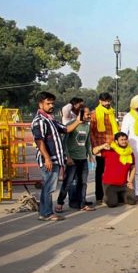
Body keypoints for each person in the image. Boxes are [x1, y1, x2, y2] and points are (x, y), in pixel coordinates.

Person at [32, 91, 85, 221]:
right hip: (49, 159)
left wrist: (78, 121)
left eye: (52, 103)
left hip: (56, 159)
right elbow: (39, 141)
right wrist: (47, 158)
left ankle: (45, 212)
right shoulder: (39, 121)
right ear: (40, 104)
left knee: (49, 187)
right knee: (49, 187)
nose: (51, 105)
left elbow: (66, 129)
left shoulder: (51, 120)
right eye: (48, 103)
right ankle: (46, 213)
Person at [56, 106, 95, 212]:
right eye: (87, 114)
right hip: (72, 159)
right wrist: (67, 157)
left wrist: (90, 155)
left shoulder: (87, 126)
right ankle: (60, 203)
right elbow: (64, 142)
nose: (89, 116)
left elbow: (87, 142)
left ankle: (82, 204)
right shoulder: (71, 125)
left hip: (83, 159)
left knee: (83, 183)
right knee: (68, 182)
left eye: (89, 114)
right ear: (80, 114)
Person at [93, 132, 137, 208]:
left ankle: (118, 196)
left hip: (123, 184)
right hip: (110, 185)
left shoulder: (130, 152)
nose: (124, 141)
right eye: (122, 140)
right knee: (112, 204)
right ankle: (108, 197)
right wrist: (102, 146)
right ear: (116, 141)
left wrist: (130, 181)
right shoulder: (110, 150)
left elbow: (133, 167)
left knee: (132, 201)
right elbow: (94, 151)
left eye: (125, 139)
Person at [90, 92, 119, 205]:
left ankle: (110, 196)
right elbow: (91, 132)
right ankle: (99, 197)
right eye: (105, 101)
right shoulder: (95, 114)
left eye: (108, 101)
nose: (107, 103)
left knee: (111, 172)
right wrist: (95, 147)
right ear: (100, 101)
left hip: (112, 146)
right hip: (101, 147)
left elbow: (116, 129)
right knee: (100, 172)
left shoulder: (112, 112)